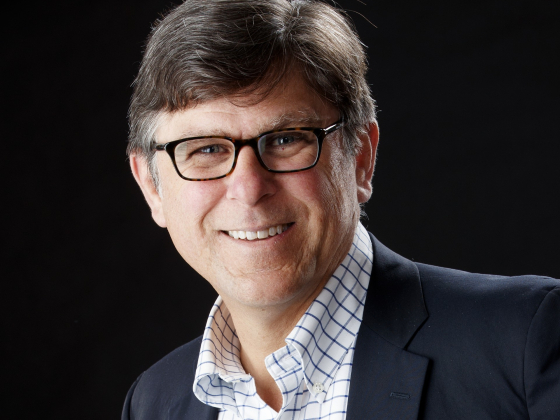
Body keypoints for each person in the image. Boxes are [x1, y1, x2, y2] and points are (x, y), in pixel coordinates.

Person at [123, 1, 560, 419]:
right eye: (206, 149)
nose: (249, 188)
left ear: (361, 158)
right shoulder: (154, 401)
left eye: (285, 139)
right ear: (151, 186)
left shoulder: (524, 343)